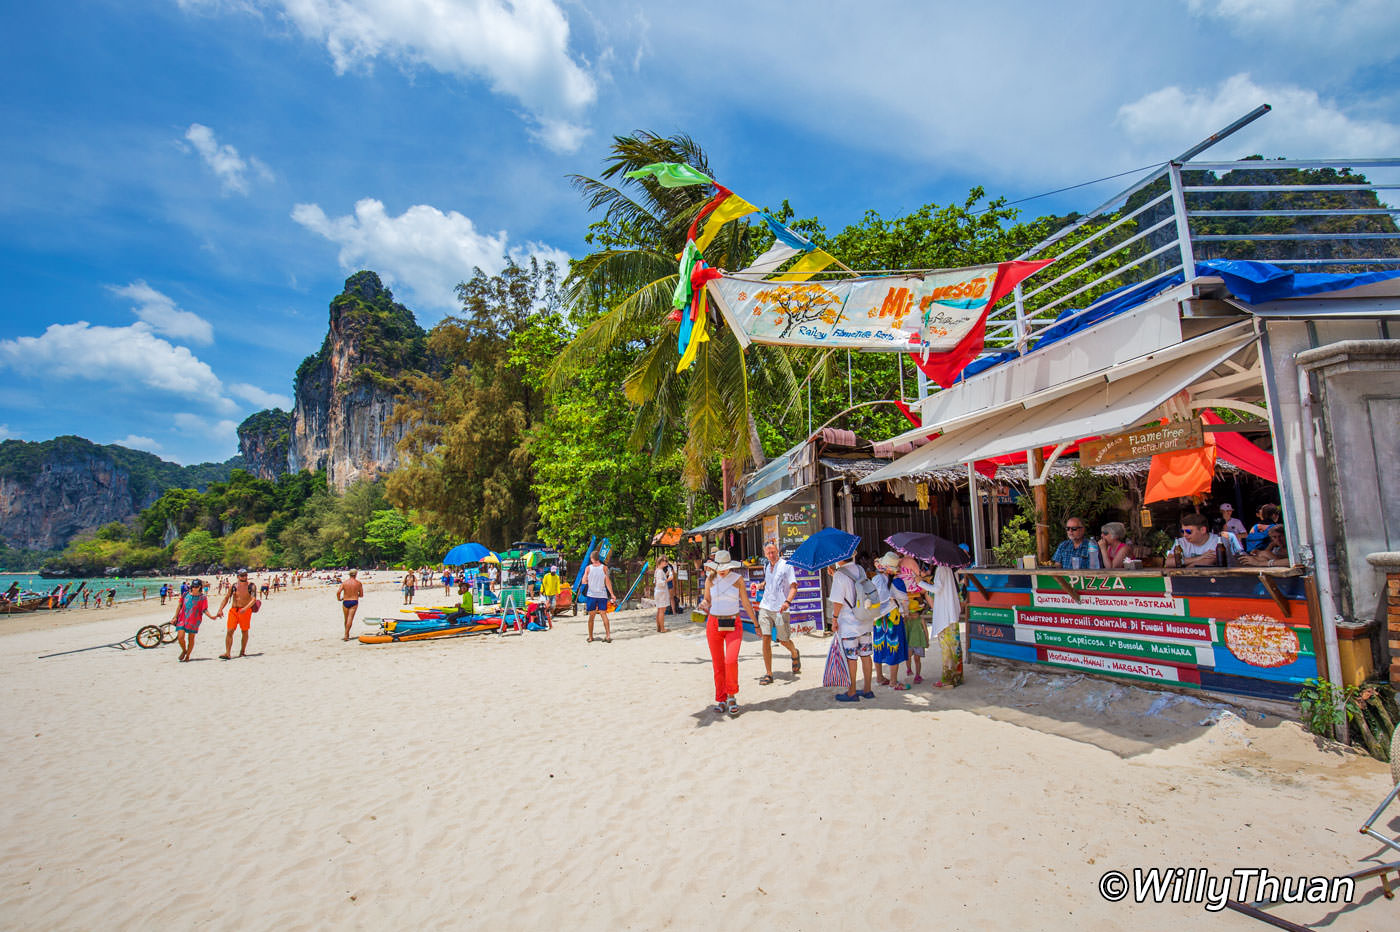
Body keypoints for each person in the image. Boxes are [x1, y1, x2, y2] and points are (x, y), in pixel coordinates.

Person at [702, 550, 756, 716]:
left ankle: (732, 695)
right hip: (714, 623)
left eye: (725, 567)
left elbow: (746, 603)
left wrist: (756, 623)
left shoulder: (737, 579)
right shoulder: (710, 579)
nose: (722, 570)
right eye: (719, 567)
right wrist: (703, 604)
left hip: (733, 622)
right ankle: (721, 698)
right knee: (718, 664)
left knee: (730, 661)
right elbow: (707, 600)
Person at [754, 541, 801, 684]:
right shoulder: (767, 566)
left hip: (781, 610)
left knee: (783, 640)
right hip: (766, 607)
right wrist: (760, 585)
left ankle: (794, 652)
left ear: (778, 550)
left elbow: (794, 587)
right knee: (766, 638)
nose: (771, 555)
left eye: (773, 552)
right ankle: (769, 674)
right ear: (765, 553)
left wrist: (787, 602)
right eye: (768, 553)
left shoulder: (787, 565)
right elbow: (769, 582)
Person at [829, 558, 875, 702]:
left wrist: (834, 619)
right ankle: (868, 689)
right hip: (865, 619)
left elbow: (838, 601)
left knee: (851, 658)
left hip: (849, 623)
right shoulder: (860, 569)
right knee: (866, 655)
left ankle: (852, 691)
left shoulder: (840, 575)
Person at [916, 563, 964, 687]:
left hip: (945, 615)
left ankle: (948, 679)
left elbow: (937, 589)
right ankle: (957, 676)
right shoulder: (948, 568)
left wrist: (920, 583)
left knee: (947, 648)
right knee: (955, 646)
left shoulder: (940, 569)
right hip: (951, 613)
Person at [871, 552, 908, 690]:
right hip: (893, 617)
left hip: (878, 619)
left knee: (879, 646)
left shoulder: (876, 579)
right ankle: (893, 681)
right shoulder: (897, 582)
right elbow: (904, 601)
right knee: (894, 646)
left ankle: (879, 677)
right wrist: (905, 613)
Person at [215, 568, 258, 659]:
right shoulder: (233, 586)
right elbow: (226, 598)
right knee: (230, 631)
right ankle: (227, 653)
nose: (244, 577)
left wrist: (245, 608)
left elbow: (254, 599)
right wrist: (220, 609)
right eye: (242, 575)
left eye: (246, 575)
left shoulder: (252, 586)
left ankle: (242, 651)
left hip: (245, 611)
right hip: (234, 610)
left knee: (244, 631)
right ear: (238, 576)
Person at [173, 579, 218, 662]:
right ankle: (184, 650)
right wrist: (175, 617)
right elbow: (179, 605)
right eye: (193, 586)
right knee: (180, 637)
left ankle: (188, 656)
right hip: (182, 618)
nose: (194, 588)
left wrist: (211, 616)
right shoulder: (185, 594)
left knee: (191, 638)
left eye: (196, 587)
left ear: (200, 587)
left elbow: (204, 609)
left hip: (194, 620)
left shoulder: (203, 597)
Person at [582, 551, 615, 643]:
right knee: (603, 615)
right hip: (602, 595)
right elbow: (608, 582)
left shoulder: (588, 568)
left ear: (592, 559)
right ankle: (608, 636)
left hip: (591, 595)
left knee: (591, 617)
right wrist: (612, 594)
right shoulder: (604, 568)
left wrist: (587, 579)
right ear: (598, 558)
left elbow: (584, 581)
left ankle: (590, 637)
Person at [336, 570, 365, 641]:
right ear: (356, 574)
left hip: (345, 601)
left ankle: (346, 634)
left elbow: (338, 592)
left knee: (346, 618)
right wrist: (355, 594)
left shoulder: (345, 582)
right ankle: (346, 635)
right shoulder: (358, 583)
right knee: (350, 618)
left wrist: (339, 599)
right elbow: (361, 595)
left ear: (349, 574)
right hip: (354, 601)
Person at [653, 554, 672, 633]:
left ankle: (659, 627)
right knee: (662, 611)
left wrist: (666, 575)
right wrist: (668, 579)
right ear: (661, 562)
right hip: (661, 592)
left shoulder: (658, 570)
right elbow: (659, 583)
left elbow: (657, 580)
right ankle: (662, 628)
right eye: (665, 561)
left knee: (659, 610)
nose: (666, 562)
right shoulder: (660, 571)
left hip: (658, 592)